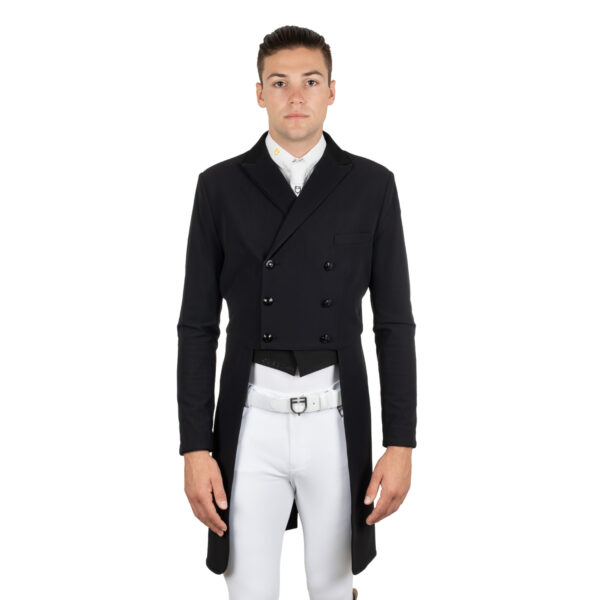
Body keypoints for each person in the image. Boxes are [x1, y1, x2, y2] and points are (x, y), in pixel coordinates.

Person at [177, 25, 417, 600]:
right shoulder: (219, 187)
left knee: (332, 589)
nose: (295, 96)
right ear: (259, 93)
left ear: (332, 91)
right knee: (248, 591)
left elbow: (394, 324)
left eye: (310, 81)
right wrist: (194, 448)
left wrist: (401, 443)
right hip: (248, 422)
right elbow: (197, 327)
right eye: (279, 82)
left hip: (335, 420)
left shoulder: (372, 185)